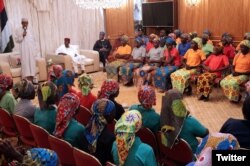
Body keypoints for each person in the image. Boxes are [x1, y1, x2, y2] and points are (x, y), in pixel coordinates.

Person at [82, 99, 116, 165]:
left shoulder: (86, 130)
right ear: (108, 116)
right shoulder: (110, 139)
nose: (114, 114)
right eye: (113, 112)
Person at [14, 18, 38, 82]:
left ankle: (33, 80)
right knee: (25, 64)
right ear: (21, 23)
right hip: (24, 50)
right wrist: (22, 36)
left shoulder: (31, 29)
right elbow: (16, 40)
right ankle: (26, 81)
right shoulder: (18, 30)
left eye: (26, 23)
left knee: (31, 64)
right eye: (24, 23)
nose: (25, 24)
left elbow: (34, 40)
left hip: (31, 50)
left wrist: (35, 50)